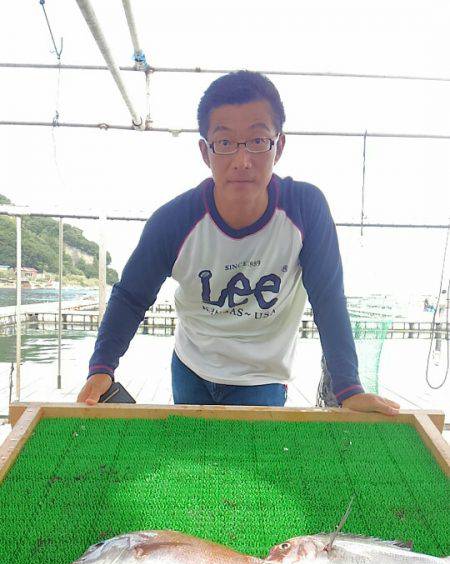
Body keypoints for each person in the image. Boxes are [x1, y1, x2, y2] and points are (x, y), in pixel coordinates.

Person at [78, 70, 399, 416]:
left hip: (263, 377)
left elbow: (328, 299)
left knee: (253, 468)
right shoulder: (173, 221)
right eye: (226, 143)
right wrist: (102, 368)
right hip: (192, 367)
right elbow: (130, 297)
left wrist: (348, 387)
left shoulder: (306, 209)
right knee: (195, 465)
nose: (242, 161)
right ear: (206, 152)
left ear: (279, 147)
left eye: (258, 141)